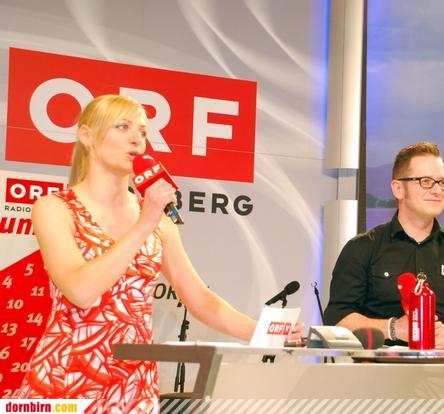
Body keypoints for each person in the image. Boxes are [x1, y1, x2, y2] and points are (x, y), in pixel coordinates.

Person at [16, 95, 298, 412]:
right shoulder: (55, 208)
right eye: (122, 127)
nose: (136, 139)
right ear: (87, 136)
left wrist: (268, 333)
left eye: (142, 132)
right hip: (65, 377)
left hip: (133, 385)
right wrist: (145, 223)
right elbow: (80, 291)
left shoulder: (159, 222)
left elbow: (200, 300)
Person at [324, 142, 444, 349]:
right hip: (379, 367)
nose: (437, 190)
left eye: (443, 183)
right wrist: (393, 328)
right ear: (398, 189)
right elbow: (337, 318)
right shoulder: (362, 248)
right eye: (426, 181)